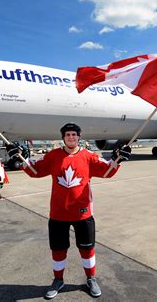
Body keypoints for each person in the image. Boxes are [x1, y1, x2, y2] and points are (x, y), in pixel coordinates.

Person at [20, 123, 131, 299]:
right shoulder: (54, 156)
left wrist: (118, 159)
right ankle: (58, 280)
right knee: (58, 250)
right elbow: (35, 171)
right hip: (58, 213)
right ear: (63, 137)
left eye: (74, 134)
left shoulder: (89, 156)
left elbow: (107, 170)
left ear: (79, 137)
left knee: (87, 249)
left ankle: (91, 279)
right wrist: (22, 158)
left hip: (83, 213)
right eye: (67, 135)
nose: (71, 137)